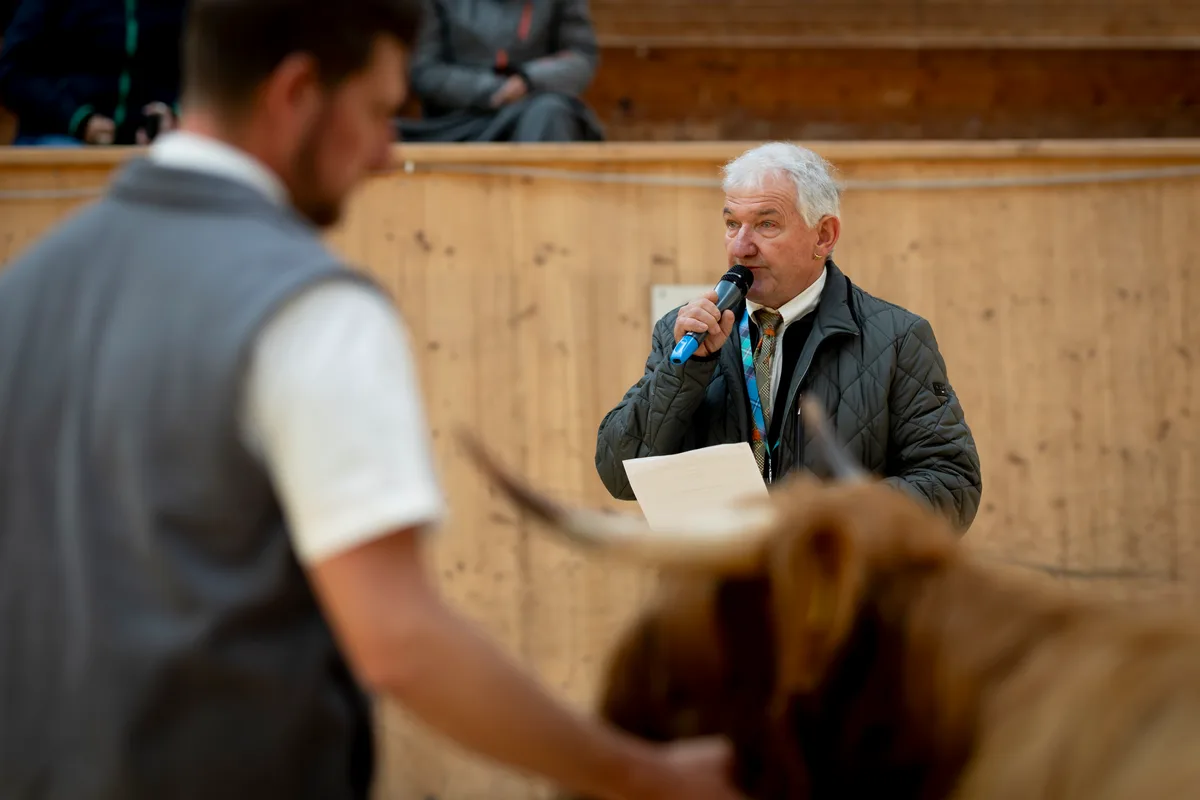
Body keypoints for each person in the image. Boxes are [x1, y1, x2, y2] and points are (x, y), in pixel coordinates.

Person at [0, 1, 745, 799]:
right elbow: (398, 639)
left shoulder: (25, 287)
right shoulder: (311, 307)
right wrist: (641, 774)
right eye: (381, 112)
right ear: (295, 93)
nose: (390, 154)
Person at [595, 142, 983, 533]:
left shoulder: (896, 337)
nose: (741, 247)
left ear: (824, 236)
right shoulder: (684, 333)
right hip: (719, 585)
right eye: (732, 224)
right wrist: (685, 373)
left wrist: (825, 525)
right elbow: (619, 473)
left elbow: (951, 485)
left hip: (836, 586)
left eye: (766, 224)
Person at [395, 0, 603, 142]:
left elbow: (581, 57)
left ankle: (541, 203)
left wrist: (527, 79)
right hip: (458, 122)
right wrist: (493, 89)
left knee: (551, 112)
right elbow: (424, 70)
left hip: (534, 108)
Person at [0, 0, 186, 146]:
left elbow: (204, 70)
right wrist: (79, 121)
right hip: (59, 134)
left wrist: (174, 115)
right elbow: (14, 72)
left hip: (153, 145)